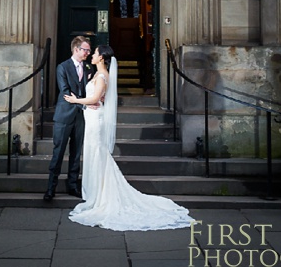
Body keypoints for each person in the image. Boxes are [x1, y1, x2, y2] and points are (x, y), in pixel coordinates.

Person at [64, 45, 194, 231]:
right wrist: (86, 102)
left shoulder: (102, 76)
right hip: (91, 118)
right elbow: (94, 99)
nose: (92, 55)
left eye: (95, 53)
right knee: (93, 153)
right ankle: (94, 192)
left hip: (96, 120)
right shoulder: (95, 74)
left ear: (101, 58)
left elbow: (94, 99)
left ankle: (101, 195)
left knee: (97, 153)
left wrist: (77, 100)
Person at [44, 36, 93, 201]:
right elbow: (65, 92)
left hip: (80, 117)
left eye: (89, 50)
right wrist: (85, 104)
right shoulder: (62, 67)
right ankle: (51, 187)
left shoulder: (88, 68)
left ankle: (73, 185)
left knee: (76, 152)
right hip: (64, 115)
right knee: (58, 152)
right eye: (85, 50)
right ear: (76, 49)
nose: (88, 52)